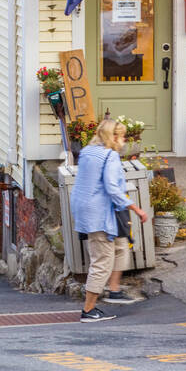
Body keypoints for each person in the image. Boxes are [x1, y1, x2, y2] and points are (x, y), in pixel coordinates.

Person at [71, 118, 150, 322]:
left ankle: (114, 291)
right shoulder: (110, 156)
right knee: (102, 261)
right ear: (113, 137)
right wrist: (136, 208)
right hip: (100, 213)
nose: (123, 140)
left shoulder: (88, 151)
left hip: (86, 209)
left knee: (118, 246)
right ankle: (88, 310)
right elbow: (112, 188)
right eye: (122, 136)